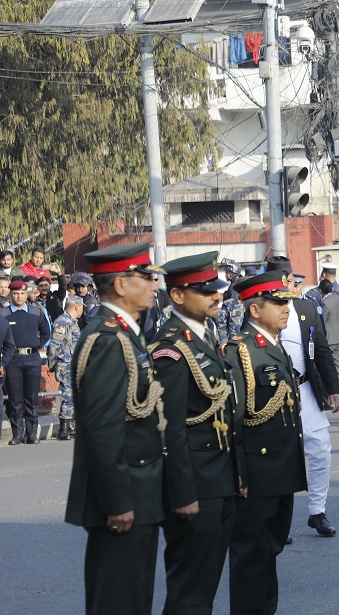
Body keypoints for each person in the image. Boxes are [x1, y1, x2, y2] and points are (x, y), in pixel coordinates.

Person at [64, 242, 167, 614]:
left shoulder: (126, 332)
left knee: (134, 599)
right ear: (122, 285)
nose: (155, 284)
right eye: (147, 277)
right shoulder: (107, 338)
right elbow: (102, 430)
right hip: (124, 498)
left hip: (140, 492)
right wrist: (118, 501)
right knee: (118, 602)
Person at [149, 252, 240, 614]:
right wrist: (181, 494)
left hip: (218, 481)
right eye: (205, 291)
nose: (216, 296)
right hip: (196, 488)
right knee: (190, 591)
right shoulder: (171, 347)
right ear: (178, 296)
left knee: (204, 588)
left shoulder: (204, 335)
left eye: (217, 289)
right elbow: (168, 430)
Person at [225, 271, 307, 615]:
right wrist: (238, 475)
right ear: (255, 310)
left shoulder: (273, 345)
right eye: (277, 302)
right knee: (251, 557)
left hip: (279, 470)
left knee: (269, 552)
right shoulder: (240, 351)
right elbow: (234, 422)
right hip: (256, 474)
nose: (286, 308)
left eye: (287, 301)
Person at [265, 256, 339, 538]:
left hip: (304, 388)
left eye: (289, 281)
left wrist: (333, 389)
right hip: (271, 395)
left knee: (320, 448)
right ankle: (278, 519)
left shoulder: (307, 309)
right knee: (278, 456)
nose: (288, 286)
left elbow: (321, 350)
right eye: (282, 281)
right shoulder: (260, 310)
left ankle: (317, 511)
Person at [2, 280, 51, 445]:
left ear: (27, 294)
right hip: (12, 360)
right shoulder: (3, 314)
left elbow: (46, 333)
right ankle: (17, 434)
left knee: (32, 399)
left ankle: (31, 434)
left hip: (32, 359)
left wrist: (37, 346)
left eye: (22, 293)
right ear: (10, 294)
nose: (19, 296)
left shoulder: (36, 312)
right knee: (15, 400)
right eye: (15, 293)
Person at [48, 295, 84, 441]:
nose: (82, 310)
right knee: (68, 396)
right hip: (65, 364)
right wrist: (52, 364)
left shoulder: (72, 322)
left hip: (73, 364)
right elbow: (54, 345)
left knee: (74, 396)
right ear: (77, 307)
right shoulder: (63, 321)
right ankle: (63, 428)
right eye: (81, 307)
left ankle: (70, 426)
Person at [318, 278, 339, 419]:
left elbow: (321, 322)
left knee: (330, 368)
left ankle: (335, 397)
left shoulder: (324, 303)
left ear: (321, 291)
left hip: (329, 339)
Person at [216, 260, 245, 341]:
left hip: (235, 323)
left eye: (227, 272)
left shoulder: (235, 285)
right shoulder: (235, 284)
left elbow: (234, 309)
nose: (226, 275)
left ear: (232, 273)